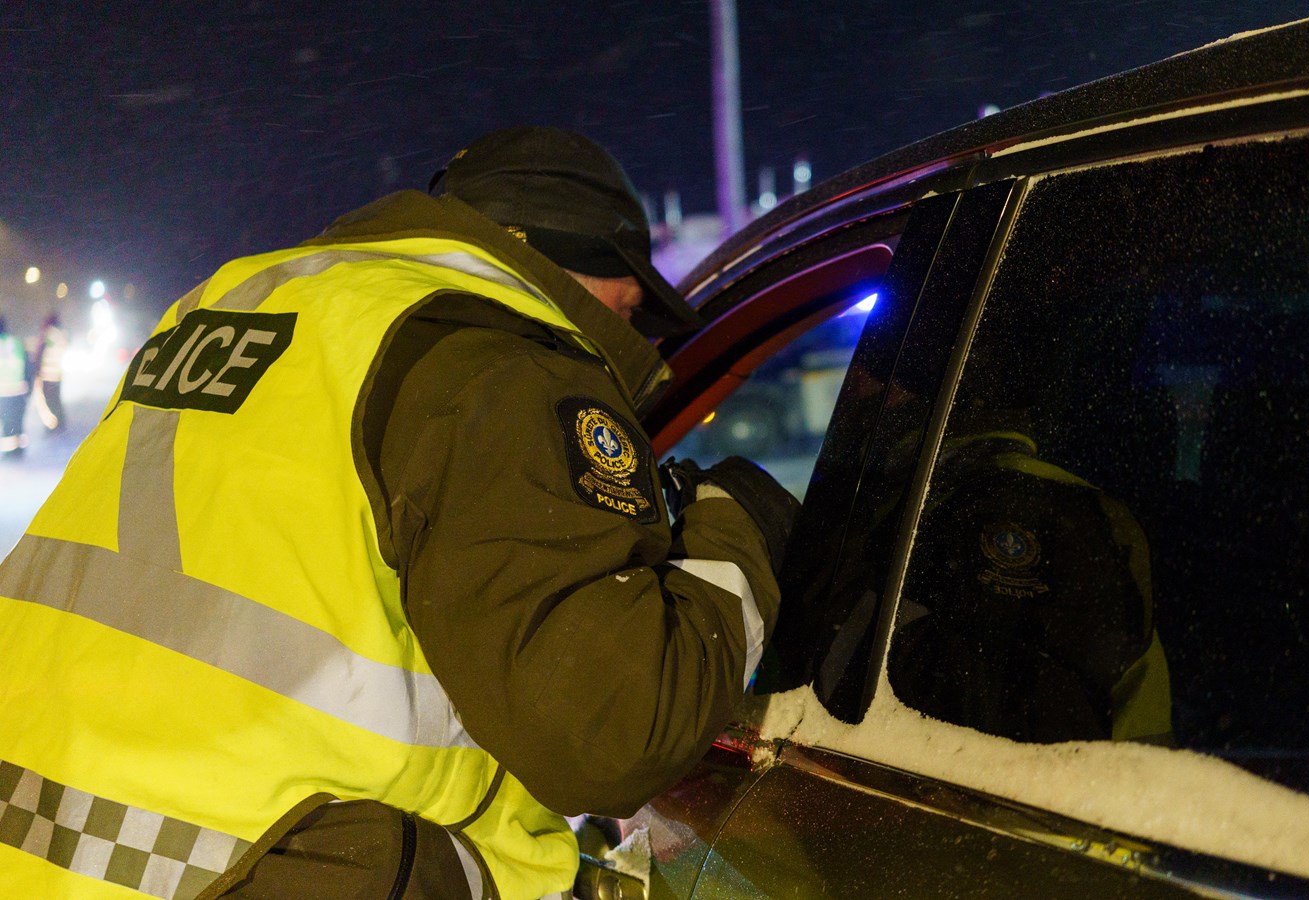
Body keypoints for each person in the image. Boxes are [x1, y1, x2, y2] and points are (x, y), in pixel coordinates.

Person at [0, 127, 797, 899]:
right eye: (625, 310)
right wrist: (738, 525)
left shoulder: (242, 300)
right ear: (571, 264)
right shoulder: (496, 360)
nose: (623, 338)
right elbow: (613, 734)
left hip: (38, 839)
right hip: (258, 866)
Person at [889, 430, 1171, 744]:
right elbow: (1144, 727)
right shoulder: (1108, 526)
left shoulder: (914, 505)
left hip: (914, 757)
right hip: (1072, 768)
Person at [30, 312, 67, 433]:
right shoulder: (61, 335)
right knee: (56, 399)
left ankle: (52, 425)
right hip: (58, 373)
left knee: (49, 402)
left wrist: (36, 369)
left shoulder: (48, 334)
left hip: (47, 374)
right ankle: (60, 424)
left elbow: (40, 352)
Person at [0, 315, 29, 458]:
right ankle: (20, 448)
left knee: (7, 423)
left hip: (3, 392)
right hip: (19, 389)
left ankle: (10, 451)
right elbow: (27, 364)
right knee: (18, 421)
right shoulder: (16, 342)